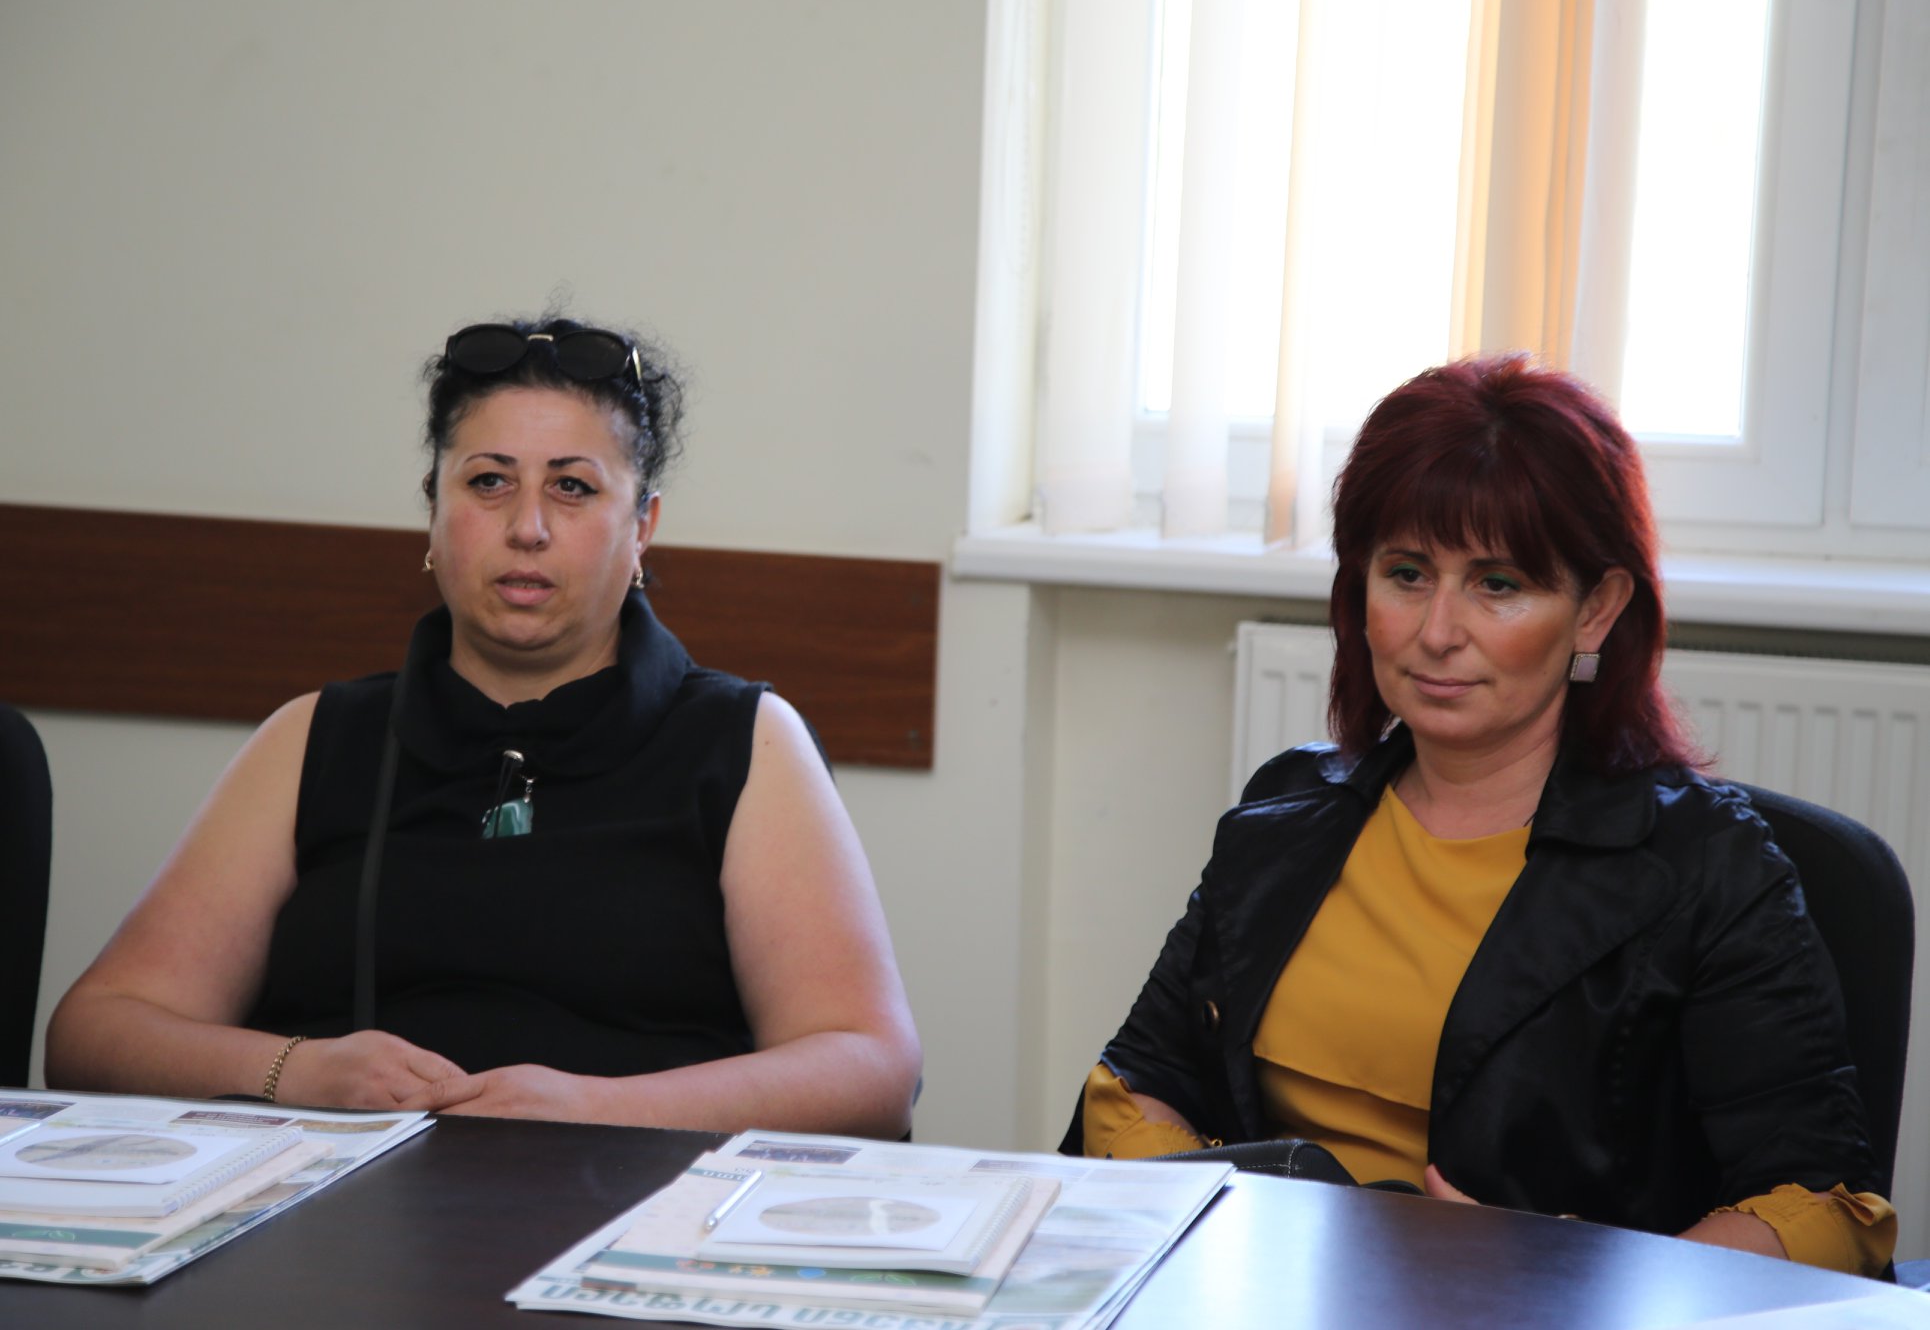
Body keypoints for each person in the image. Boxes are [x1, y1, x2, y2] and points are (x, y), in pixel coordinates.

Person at [1072, 355, 1896, 1274]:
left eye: (1498, 584)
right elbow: (1132, 1084)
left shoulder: (1709, 869)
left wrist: (1566, 1280)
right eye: (1407, 573)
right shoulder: (1287, 814)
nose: (1438, 632)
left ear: (1596, 611)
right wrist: (1215, 1223)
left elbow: (1825, 1209)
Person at [46, 315, 922, 1138]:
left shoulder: (745, 741)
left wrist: (600, 1111)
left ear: (643, 528)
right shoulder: (315, 736)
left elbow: (871, 1068)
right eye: (489, 482)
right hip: (337, 1213)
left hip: (632, 1205)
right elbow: (94, 1033)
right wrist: (293, 1071)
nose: (527, 528)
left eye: (573, 488)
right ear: (434, 510)